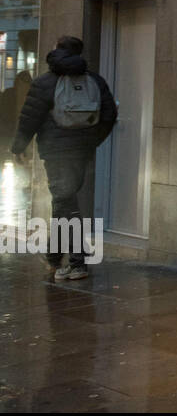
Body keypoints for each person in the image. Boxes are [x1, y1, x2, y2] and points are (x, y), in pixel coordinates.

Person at [10, 36, 117, 280]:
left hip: (56, 153)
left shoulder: (45, 82)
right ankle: (54, 257)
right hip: (82, 151)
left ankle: (78, 262)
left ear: (57, 51)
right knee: (64, 202)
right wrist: (92, 140)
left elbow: (29, 119)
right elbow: (110, 115)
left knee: (66, 204)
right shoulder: (95, 81)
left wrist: (17, 148)